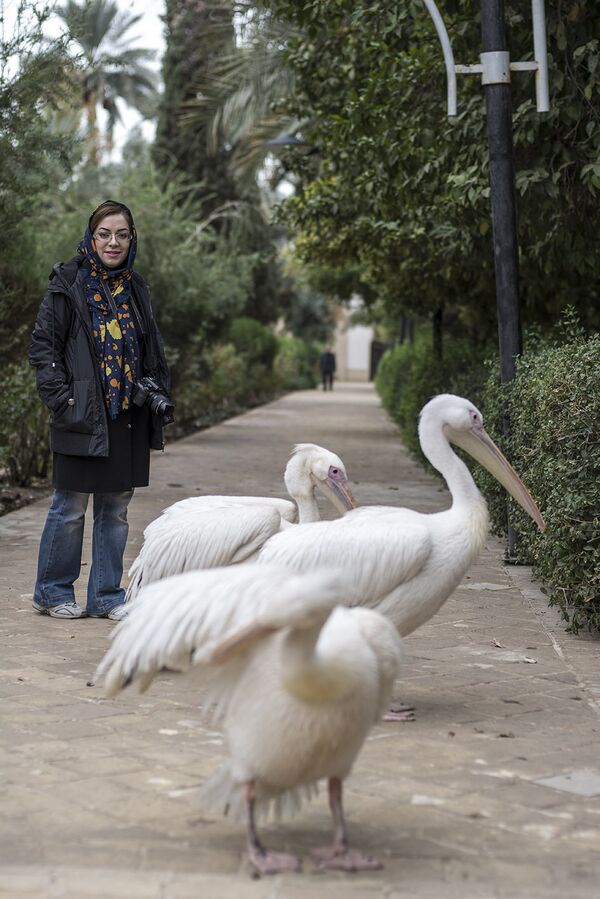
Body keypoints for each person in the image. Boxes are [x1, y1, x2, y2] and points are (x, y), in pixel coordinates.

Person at [28, 200, 172, 620]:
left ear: (132, 239)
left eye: (122, 234)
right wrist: (62, 399)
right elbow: (44, 348)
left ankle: (107, 595)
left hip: (125, 416)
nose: (114, 242)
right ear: (92, 238)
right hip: (80, 412)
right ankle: (52, 592)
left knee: (116, 509)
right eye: (105, 234)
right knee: (69, 506)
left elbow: (151, 348)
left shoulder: (136, 288)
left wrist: (156, 392)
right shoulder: (67, 283)